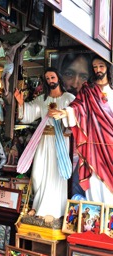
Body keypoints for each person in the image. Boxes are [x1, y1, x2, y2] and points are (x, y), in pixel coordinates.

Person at [50, 55, 113, 206]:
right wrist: (66, 112)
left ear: (108, 67)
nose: (98, 70)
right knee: (95, 181)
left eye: (101, 66)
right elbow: (77, 107)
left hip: (110, 143)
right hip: (93, 144)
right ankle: (95, 218)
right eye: (95, 67)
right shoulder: (88, 90)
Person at [15, 67, 75, 219]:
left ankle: (54, 211)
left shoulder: (68, 98)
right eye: (48, 79)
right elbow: (30, 112)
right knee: (37, 174)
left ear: (58, 78)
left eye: (52, 77)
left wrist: (63, 115)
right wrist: (21, 103)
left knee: (56, 174)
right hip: (44, 140)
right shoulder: (42, 99)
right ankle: (38, 206)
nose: (50, 81)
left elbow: (76, 116)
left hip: (60, 140)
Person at [0, 34, 28, 102]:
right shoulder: (5, 49)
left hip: (10, 65)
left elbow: (19, 44)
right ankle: (6, 91)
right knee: (2, 78)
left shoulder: (13, 48)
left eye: (4, 44)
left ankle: (7, 91)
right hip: (6, 65)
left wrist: (25, 38)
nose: (3, 45)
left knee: (6, 78)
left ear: (7, 44)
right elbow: (1, 45)